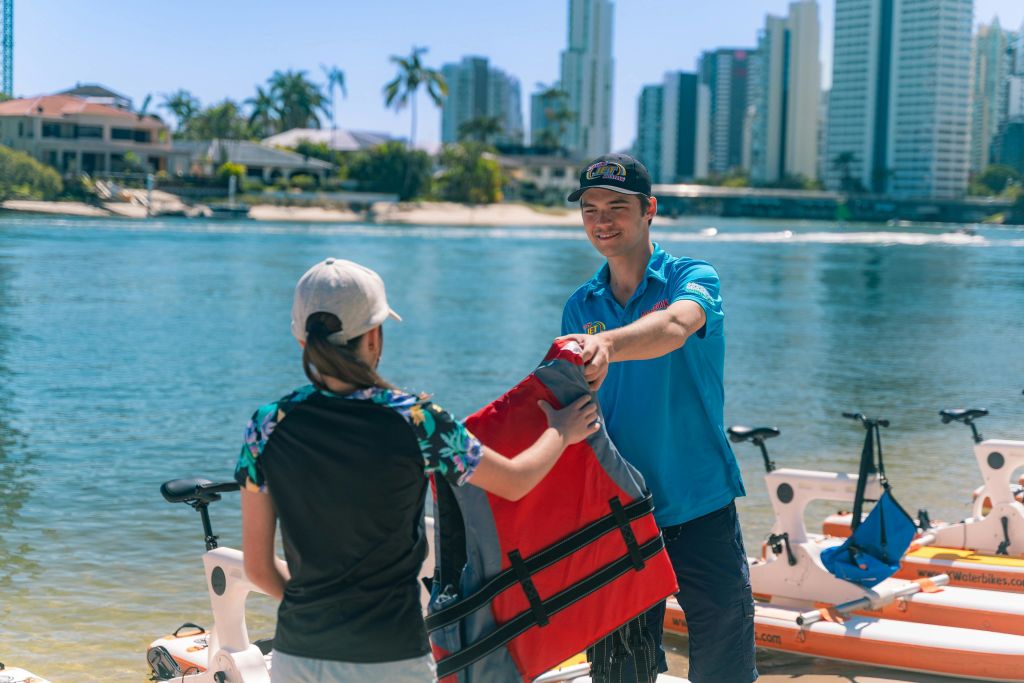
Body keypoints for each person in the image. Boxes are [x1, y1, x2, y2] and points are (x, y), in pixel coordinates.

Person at [234, 257, 599, 683]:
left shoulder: (266, 425)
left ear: (302, 339)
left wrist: (313, 614)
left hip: (300, 654)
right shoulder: (417, 420)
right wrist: (561, 431)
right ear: (374, 336)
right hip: (393, 656)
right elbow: (515, 482)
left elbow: (258, 568)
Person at [558, 154, 757, 683]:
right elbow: (571, 410)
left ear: (650, 210)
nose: (602, 221)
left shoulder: (693, 277)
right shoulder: (581, 304)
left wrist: (604, 343)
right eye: (590, 209)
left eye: (617, 207)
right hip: (618, 511)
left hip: (699, 501)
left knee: (724, 662)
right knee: (619, 669)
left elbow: (674, 326)